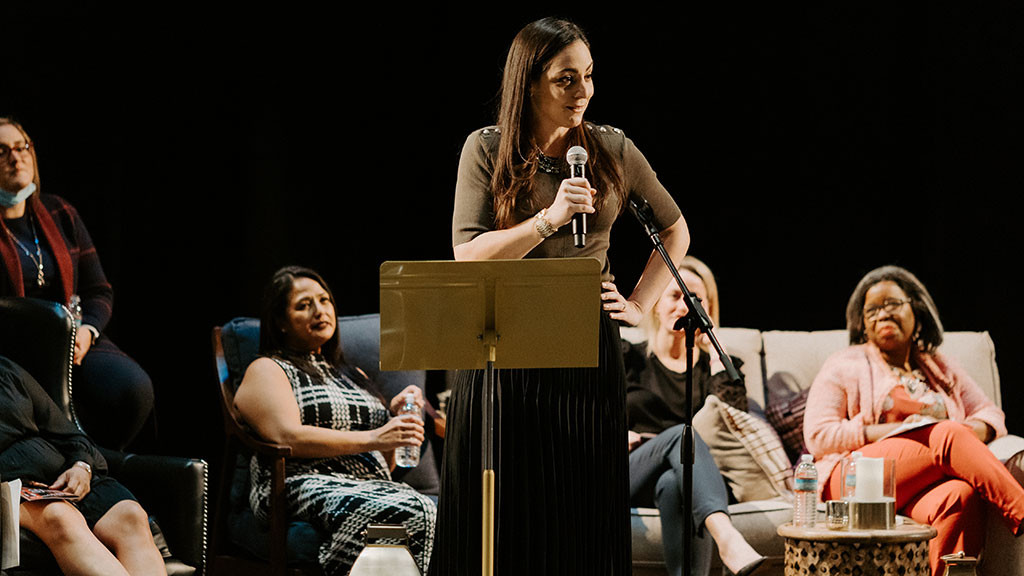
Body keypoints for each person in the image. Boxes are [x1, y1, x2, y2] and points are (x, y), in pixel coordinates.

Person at [432, 17, 689, 574]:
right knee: (503, 508)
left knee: (578, 502)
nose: (583, 92)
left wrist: (640, 305)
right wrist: (549, 220)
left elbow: (675, 229)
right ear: (529, 83)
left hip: (586, 347)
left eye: (589, 76)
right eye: (565, 79)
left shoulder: (612, 148)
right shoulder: (486, 149)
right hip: (503, 348)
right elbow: (468, 253)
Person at [804, 265, 1024, 575]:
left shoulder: (940, 366)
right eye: (871, 310)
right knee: (946, 434)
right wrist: (897, 431)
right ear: (863, 324)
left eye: (891, 304)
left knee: (959, 497)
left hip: (919, 483)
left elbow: (990, 414)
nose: (882, 314)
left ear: (916, 308)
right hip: (852, 478)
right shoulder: (844, 363)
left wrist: (964, 432)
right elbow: (818, 435)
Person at [233, 266, 436, 575]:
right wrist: (376, 437)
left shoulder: (354, 376)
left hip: (371, 486)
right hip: (300, 483)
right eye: (304, 305)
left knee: (430, 514)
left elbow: (386, 466)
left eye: (325, 300)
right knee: (413, 509)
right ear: (280, 322)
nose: (320, 310)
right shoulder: (268, 369)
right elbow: (288, 437)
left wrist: (396, 423)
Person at [0, 117, 153, 451]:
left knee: (133, 390)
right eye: (2, 151)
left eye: (21, 147)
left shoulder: (60, 212)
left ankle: (96, 469)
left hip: (76, 341)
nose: (16, 157)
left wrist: (87, 332)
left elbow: (100, 290)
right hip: (17, 356)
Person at [617, 256, 764, 576]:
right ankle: (727, 538)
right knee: (683, 436)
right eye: (675, 295)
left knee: (674, 483)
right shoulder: (629, 358)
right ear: (655, 304)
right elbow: (595, 408)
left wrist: (715, 351)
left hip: (693, 478)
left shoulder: (718, 368)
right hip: (634, 467)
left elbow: (735, 422)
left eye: (695, 299)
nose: (685, 306)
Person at [0, 355, 164, 576]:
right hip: (13, 486)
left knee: (131, 515)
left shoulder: (7, 371)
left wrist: (82, 466)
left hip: (63, 475)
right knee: (61, 517)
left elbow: (67, 432)